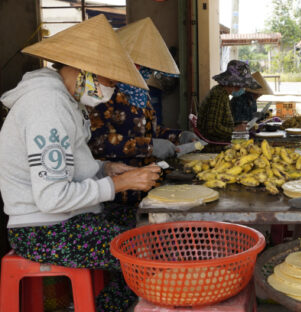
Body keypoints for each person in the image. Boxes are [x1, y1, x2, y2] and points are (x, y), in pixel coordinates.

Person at [0, 15, 161, 312]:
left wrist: (105, 169)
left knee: (146, 226)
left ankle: (97, 304)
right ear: (84, 69)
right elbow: (51, 198)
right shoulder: (47, 107)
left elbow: (66, 166)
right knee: (146, 254)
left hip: (68, 218)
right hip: (43, 230)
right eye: (110, 80)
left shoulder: (65, 100)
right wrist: (118, 184)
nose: (112, 88)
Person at [87, 17, 198, 206]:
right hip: (118, 190)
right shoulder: (100, 94)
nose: (143, 72)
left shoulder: (141, 93)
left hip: (148, 183)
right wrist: (148, 146)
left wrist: (179, 136)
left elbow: (150, 132)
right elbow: (95, 143)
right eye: (140, 67)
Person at [197, 60, 261, 151]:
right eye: (242, 85)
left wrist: (238, 125)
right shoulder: (219, 95)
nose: (243, 88)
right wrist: (235, 130)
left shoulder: (223, 93)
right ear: (235, 83)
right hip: (214, 146)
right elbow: (212, 128)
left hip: (221, 140)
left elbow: (219, 122)